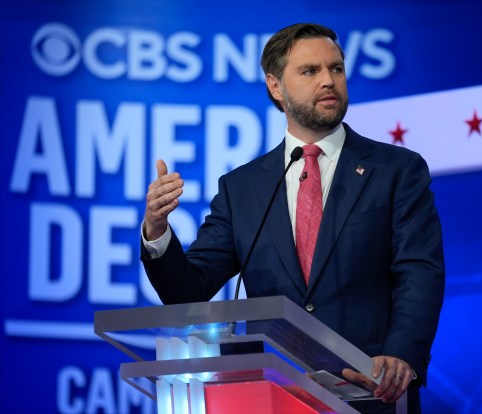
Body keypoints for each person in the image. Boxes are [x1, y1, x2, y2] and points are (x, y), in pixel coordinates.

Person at [141, 23, 444, 413]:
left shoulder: (396, 170)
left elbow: (419, 270)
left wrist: (402, 355)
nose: (328, 81)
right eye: (310, 71)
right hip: (271, 393)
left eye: (336, 68)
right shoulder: (242, 187)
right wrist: (157, 230)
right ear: (275, 86)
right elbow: (189, 292)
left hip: (371, 390)